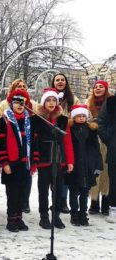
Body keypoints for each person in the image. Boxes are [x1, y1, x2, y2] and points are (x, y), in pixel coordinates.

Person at [31, 88, 74, 229]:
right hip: (44, 160)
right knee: (43, 190)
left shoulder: (62, 119)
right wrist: (34, 161)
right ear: (44, 102)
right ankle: (44, 216)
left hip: (59, 159)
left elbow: (67, 141)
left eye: (54, 100)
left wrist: (70, 161)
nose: (51, 103)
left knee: (58, 190)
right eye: (48, 100)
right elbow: (33, 141)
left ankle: (55, 216)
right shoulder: (36, 119)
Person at [0, 90, 38, 232]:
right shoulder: (5, 120)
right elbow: (0, 143)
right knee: (12, 194)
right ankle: (11, 220)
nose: (20, 106)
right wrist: (5, 163)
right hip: (12, 164)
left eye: (23, 103)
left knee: (22, 194)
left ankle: (19, 218)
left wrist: (33, 163)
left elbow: (33, 143)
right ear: (11, 104)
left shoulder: (29, 121)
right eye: (17, 103)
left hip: (25, 164)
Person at [66, 105, 103, 227]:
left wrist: (98, 166)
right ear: (73, 117)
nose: (81, 118)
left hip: (88, 166)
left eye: (83, 116)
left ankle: (83, 214)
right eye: (78, 116)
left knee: (84, 192)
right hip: (74, 166)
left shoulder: (91, 131)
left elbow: (97, 150)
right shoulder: (70, 130)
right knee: (73, 191)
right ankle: (74, 214)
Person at [51, 73, 80, 214]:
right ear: (53, 82)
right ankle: (55, 200)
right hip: (52, 137)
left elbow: (80, 115)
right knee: (53, 171)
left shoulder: (72, 99)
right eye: (57, 80)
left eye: (62, 79)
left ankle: (63, 201)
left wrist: (68, 122)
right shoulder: (49, 97)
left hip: (69, 136)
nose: (60, 82)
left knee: (65, 172)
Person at [87, 80, 111, 215]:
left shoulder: (112, 103)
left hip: (107, 142)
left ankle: (106, 203)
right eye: (95, 87)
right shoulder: (88, 104)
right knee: (94, 171)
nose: (98, 89)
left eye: (101, 86)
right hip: (93, 142)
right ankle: (94, 203)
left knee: (107, 173)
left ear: (106, 89)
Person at [98, 92, 116, 223]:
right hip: (114, 147)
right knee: (114, 180)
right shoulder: (110, 102)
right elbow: (101, 122)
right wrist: (109, 140)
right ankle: (113, 208)